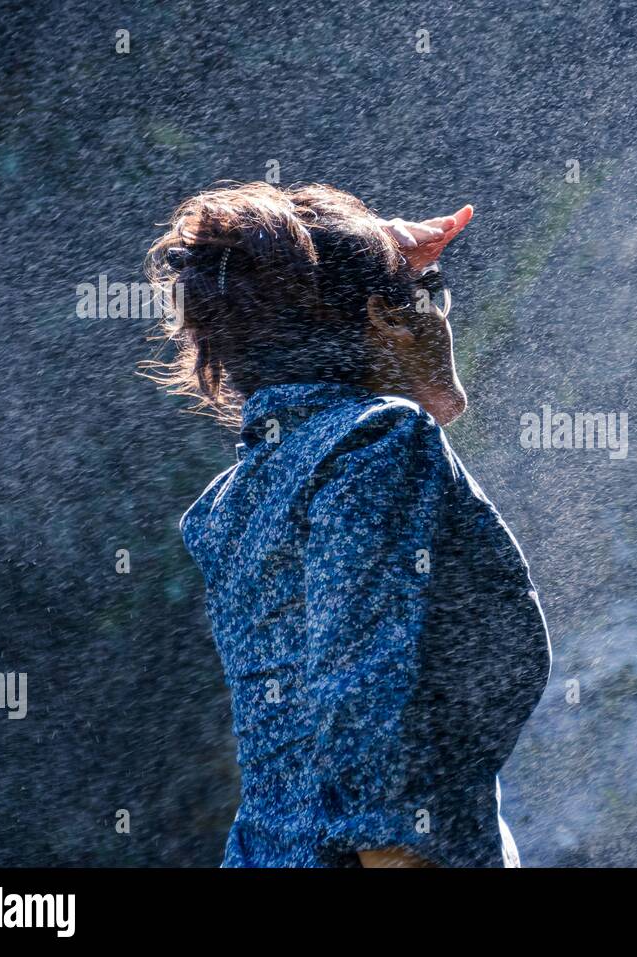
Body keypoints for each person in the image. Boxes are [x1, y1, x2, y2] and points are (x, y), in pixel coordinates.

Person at [144, 183, 551, 867]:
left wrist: (361, 262)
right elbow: (361, 692)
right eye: (430, 298)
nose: (440, 317)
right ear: (388, 321)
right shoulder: (377, 441)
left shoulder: (233, 501)